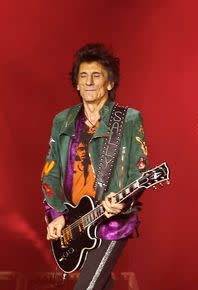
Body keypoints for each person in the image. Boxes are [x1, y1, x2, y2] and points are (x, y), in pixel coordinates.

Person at [42, 43, 148, 290]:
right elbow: (51, 171)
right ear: (77, 84)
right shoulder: (63, 120)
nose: (89, 82)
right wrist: (56, 214)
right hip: (76, 222)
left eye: (97, 75)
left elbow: (139, 170)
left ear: (110, 83)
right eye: (83, 76)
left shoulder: (129, 119)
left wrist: (123, 200)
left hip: (111, 223)